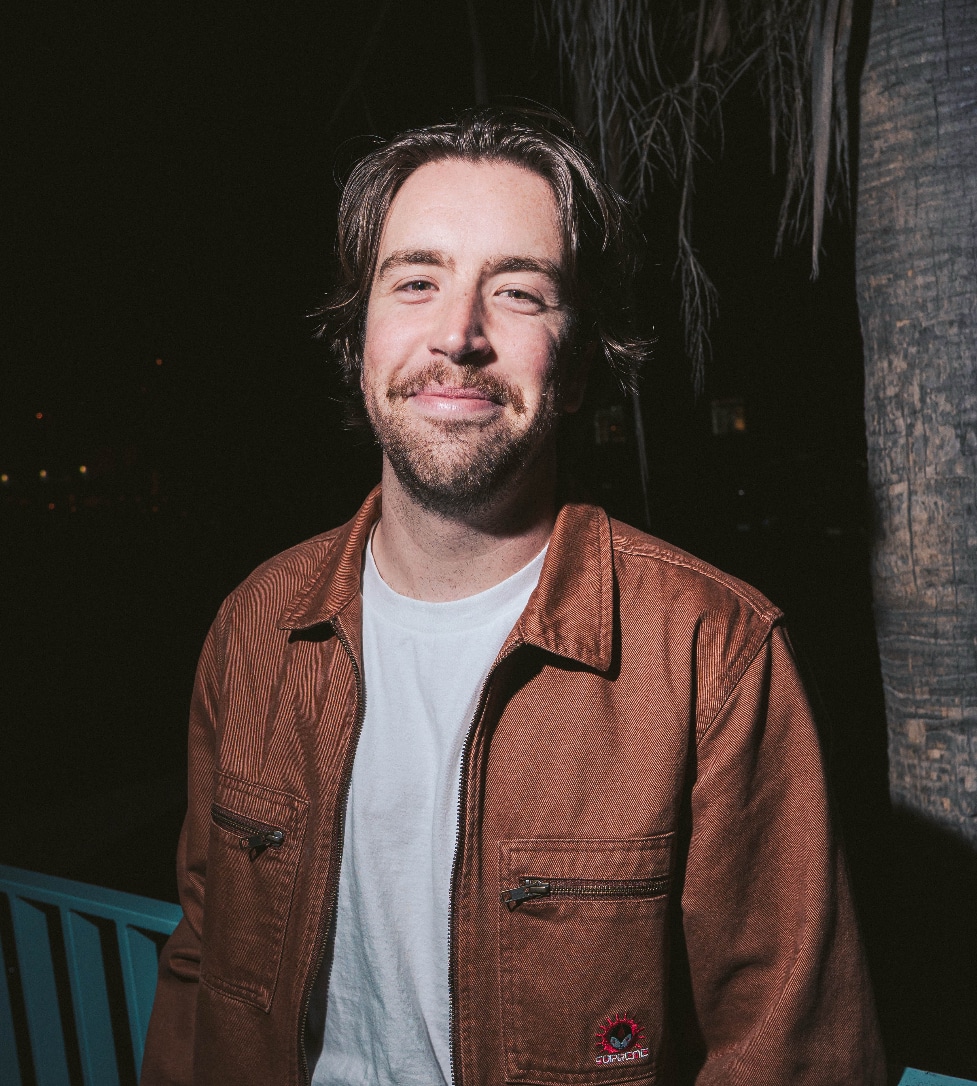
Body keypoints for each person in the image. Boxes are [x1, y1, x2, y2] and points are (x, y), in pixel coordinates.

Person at [141, 107, 885, 1086]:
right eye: (416, 282)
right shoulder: (255, 626)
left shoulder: (713, 655)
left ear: (575, 366)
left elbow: (792, 1056)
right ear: (358, 338)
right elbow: (201, 963)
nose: (458, 335)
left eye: (518, 292)